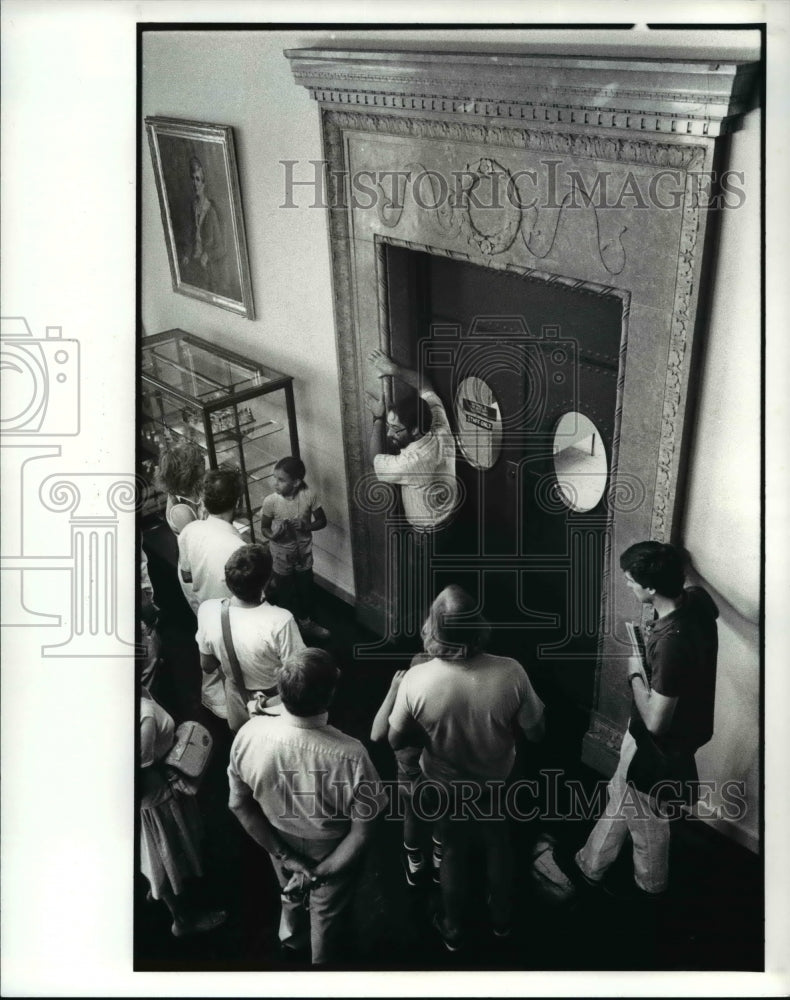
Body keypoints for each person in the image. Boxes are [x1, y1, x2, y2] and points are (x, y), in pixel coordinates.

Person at [388, 585, 545, 950]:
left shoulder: (417, 679)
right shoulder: (511, 672)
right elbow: (536, 733)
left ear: (434, 630)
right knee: (499, 846)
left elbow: (395, 740)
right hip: (496, 782)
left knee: (454, 852)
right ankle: (502, 921)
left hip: (445, 785)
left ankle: (453, 928)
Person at [564, 541, 719, 898]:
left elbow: (656, 721)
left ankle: (650, 890)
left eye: (631, 580)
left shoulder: (671, 645)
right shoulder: (696, 603)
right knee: (620, 794)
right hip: (662, 739)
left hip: (656, 749)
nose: (628, 584)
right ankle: (590, 865)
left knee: (647, 824)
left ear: (651, 588)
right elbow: (701, 599)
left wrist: (635, 671)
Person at [227, 648, 388, 965]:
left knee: (289, 887)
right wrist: (321, 872)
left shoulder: (247, 735)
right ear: (329, 696)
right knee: (327, 911)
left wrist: (285, 855)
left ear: (281, 692)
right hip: (331, 847)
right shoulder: (352, 755)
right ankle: (321, 964)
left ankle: (291, 940)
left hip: (276, 837)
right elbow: (364, 830)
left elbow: (238, 803)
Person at [139, 687, 227, 937]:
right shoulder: (143, 716)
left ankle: (158, 886)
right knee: (164, 855)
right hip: (156, 799)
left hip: (158, 791)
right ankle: (182, 919)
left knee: (156, 854)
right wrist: (167, 777)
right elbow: (138, 774)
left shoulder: (138, 695)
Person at [196, 543, 306, 732]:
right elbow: (298, 676)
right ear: (267, 582)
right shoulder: (280, 620)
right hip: (273, 700)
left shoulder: (207, 609)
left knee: (245, 741)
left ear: (228, 579)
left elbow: (207, 665)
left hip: (236, 696)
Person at [177, 466, 245, 718]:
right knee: (228, 657)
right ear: (237, 501)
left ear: (203, 501)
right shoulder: (237, 546)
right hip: (230, 612)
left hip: (202, 603)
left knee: (208, 650)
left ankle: (211, 693)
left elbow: (186, 574)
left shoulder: (189, 531)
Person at [367, 348, 459, 532]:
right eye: (389, 427)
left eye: (395, 429)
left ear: (415, 430)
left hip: (428, 530)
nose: (389, 434)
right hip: (452, 511)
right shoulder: (439, 425)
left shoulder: (413, 462)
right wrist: (394, 370)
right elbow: (425, 386)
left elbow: (375, 459)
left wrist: (378, 419)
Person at [259, 456, 330, 641]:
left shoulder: (309, 496)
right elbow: (264, 528)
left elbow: (322, 521)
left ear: (297, 482)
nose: (275, 484)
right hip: (282, 556)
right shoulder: (270, 502)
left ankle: (306, 624)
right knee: (285, 592)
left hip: (304, 554)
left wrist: (307, 526)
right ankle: (286, 631)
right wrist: (274, 536)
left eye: (281, 480)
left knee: (306, 588)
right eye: (275, 478)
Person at [180, 154, 230, 298]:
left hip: (207, 269)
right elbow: (190, 237)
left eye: (197, 179)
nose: (195, 183)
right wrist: (187, 254)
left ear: (203, 182)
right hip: (193, 264)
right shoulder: (193, 207)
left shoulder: (211, 211)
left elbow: (221, 248)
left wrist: (207, 255)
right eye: (192, 179)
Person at [157, 440, 206, 536]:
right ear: (188, 472)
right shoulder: (181, 512)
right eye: (201, 461)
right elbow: (197, 544)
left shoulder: (189, 486)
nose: (204, 462)